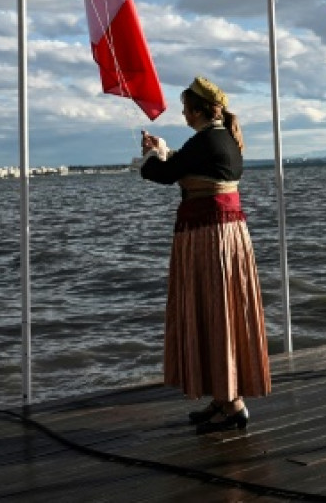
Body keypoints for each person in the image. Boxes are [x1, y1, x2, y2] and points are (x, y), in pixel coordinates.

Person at [139, 76, 270, 433]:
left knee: (213, 310)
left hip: (208, 236)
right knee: (223, 312)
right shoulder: (224, 139)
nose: (183, 113)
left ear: (197, 111)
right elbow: (184, 166)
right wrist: (162, 149)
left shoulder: (206, 141)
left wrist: (152, 153)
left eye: (185, 108)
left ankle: (231, 405)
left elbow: (162, 174)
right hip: (228, 234)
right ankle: (223, 398)